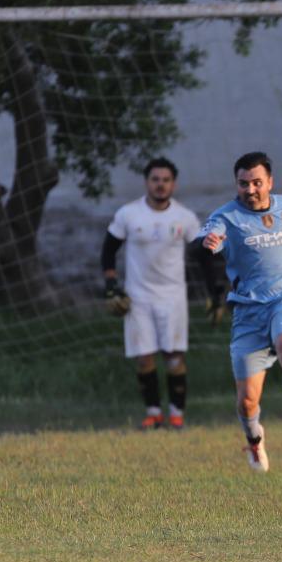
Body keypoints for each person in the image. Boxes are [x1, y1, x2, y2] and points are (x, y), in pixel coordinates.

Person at [199, 152, 282, 473]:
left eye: (257, 182)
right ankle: (254, 440)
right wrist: (210, 242)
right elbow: (207, 243)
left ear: (270, 182)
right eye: (243, 183)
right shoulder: (225, 217)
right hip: (248, 311)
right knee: (247, 401)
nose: (250, 189)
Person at [101, 158, 203, 429]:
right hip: (138, 297)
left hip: (172, 296)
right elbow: (109, 249)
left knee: (173, 357)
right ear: (147, 182)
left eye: (166, 180)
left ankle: (177, 414)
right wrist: (111, 285)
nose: (160, 185)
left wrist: (216, 291)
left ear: (174, 184)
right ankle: (154, 413)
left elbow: (204, 253)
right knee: (144, 357)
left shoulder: (185, 217)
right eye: (155, 180)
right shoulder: (129, 214)